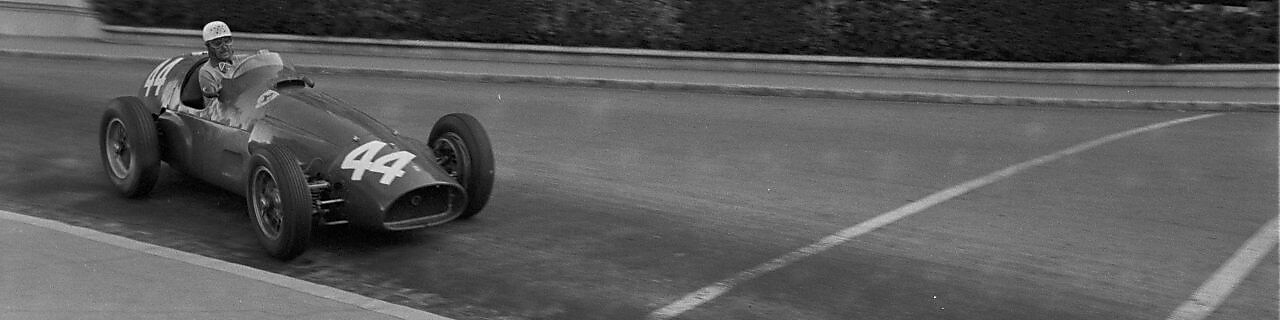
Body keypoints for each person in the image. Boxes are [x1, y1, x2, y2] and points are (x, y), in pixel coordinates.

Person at [199, 21, 238, 104]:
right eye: (217, 43)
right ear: (208, 46)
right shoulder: (207, 72)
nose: (224, 47)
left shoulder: (240, 61)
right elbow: (214, 106)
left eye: (227, 41)